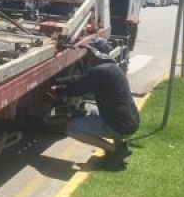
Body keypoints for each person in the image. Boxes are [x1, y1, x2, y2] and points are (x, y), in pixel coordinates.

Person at [50, 38, 140, 169]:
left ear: (96, 54)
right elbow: (81, 80)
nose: (87, 56)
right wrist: (57, 81)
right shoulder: (113, 69)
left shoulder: (100, 71)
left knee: (72, 128)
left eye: (89, 53)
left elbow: (78, 88)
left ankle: (115, 150)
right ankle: (118, 144)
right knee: (92, 110)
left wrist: (57, 90)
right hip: (131, 122)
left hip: (120, 126)